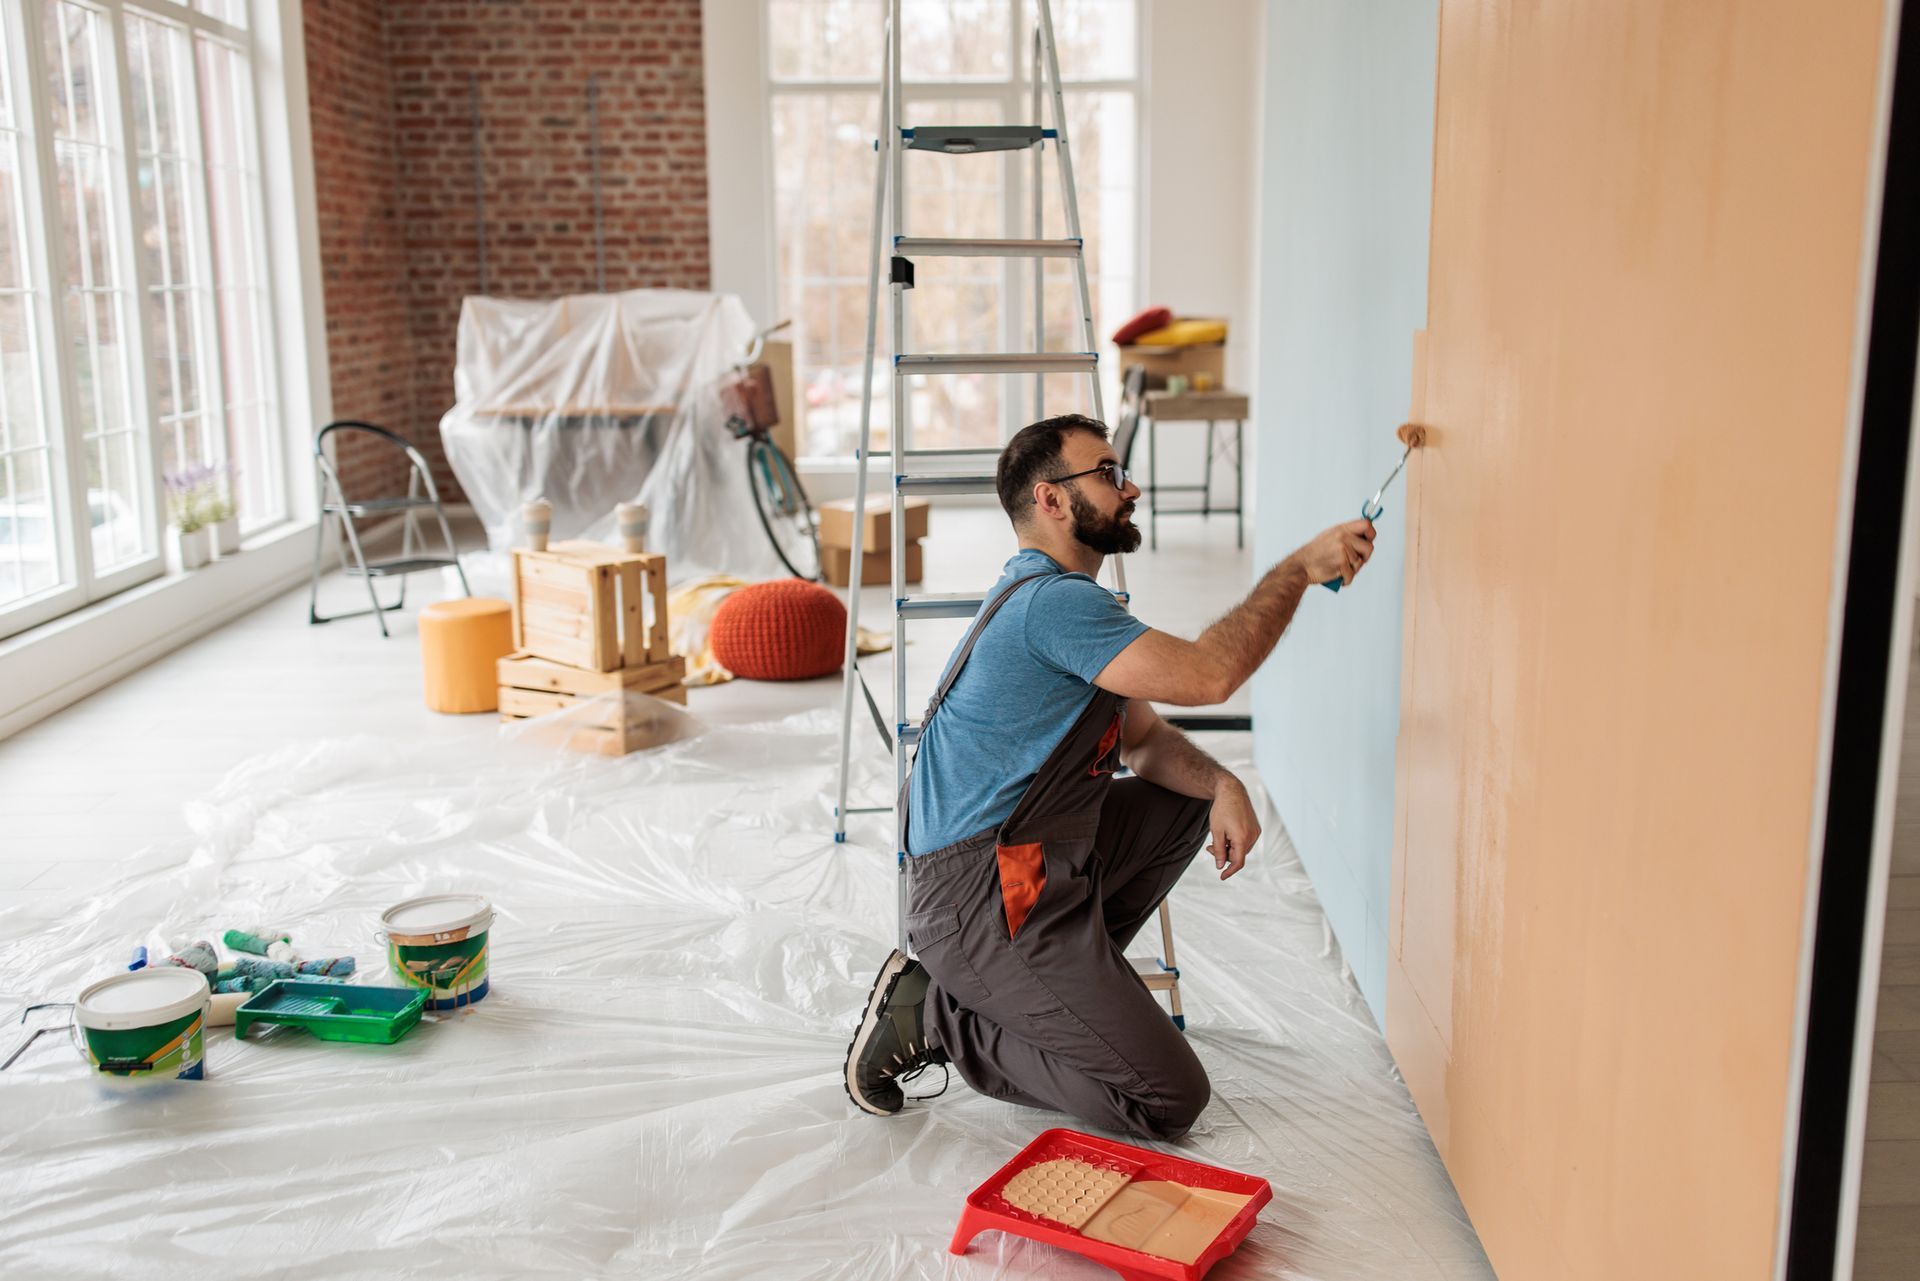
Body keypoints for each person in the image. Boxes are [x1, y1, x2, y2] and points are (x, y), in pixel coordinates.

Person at [842, 412, 1376, 1139]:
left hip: (1026, 864)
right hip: (977, 893)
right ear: (1052, 500)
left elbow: (1147, 743)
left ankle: (1053, 990)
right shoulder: (1051, 604)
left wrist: (1223, 784)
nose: (1131, 488)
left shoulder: (1074, 604)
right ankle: (939, 1014)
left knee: (1181, 803)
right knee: (1166, 1096)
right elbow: (1212, 674)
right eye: (1108, 473)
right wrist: (1295, 571)